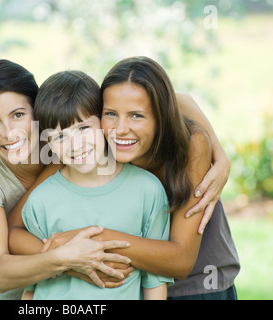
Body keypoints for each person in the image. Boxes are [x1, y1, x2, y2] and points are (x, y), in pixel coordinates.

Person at [8, 56, 240, 300]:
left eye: (136, 116)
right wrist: (71, 258)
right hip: (128, 286)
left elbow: (181, 262)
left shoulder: (190, 144)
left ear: (161, 117)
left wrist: (92, 238)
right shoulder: (81, 150)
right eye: (110, 114)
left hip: (198, 284)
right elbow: (15, 230)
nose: (120, 129)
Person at [0, 59, 133, 300]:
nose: (9, 132)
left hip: (51, 286)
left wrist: (199, 131)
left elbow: (157, 98)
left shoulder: (69, 137)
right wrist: (71, 259)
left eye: (18, 115)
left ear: (39, 108)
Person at [20, 70, 173, 300]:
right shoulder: (40, 201)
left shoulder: (147, 191)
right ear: (47, 142)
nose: (75, 145)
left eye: (83, 128)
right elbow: (32, 285)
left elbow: (155, 281)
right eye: (60, 137)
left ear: (103, 122)